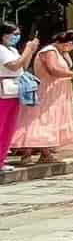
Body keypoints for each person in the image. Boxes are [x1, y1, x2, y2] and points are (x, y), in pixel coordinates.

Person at [13, 30, 73, 165]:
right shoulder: (49, 51)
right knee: (37, 119)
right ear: (69, 43)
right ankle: (26, 154)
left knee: (49, 121)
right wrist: (72, 74)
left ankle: (45, 153)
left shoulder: (61, 52)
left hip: (57, 92)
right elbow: (52, 69)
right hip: (47, 90)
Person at [1, 23, 38, 167]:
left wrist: (30, 51)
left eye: (18, 34)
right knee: (1, 126)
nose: (16, 37)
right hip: (3, 91)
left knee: (9, 128)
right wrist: (27, 50)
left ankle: (1, 160)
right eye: (13, 34)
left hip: (14, 91)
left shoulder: (12, 50)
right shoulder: (1, 50)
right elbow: (14, 65)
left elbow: (22, 66)